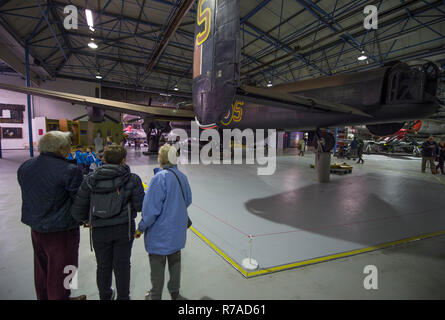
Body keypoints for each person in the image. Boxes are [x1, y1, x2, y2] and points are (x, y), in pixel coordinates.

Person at [70, 144, 145, 300]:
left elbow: (78, 209)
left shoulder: (90, 180)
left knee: (103, 265)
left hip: (99, 229)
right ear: (123, 160)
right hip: (124, 229)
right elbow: (139, 206)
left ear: (103, 159)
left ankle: (105, 295)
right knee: (122, 265)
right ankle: (124, 297)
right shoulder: (132, 179)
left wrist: (87, 219)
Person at [17, 131, 85, 300]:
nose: (70, 149)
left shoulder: (25, 166)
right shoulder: (70, 170)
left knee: (42, 269)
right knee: (66, 268)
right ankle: (64, 296)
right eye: (69, 146)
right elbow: (79, 200)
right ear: (61, 148)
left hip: (36, 229)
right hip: (62, 231)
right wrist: (85, 218)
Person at [135, 144, 192, 300]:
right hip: (177, 232)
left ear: (161, 158)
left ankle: (155, 295)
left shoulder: (159, 178)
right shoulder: (182, 177)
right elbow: (187, 200)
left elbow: (151, 210)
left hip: (159, 234)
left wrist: (140, 228)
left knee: (157, 266)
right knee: (175, 262)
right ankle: (174, 292)